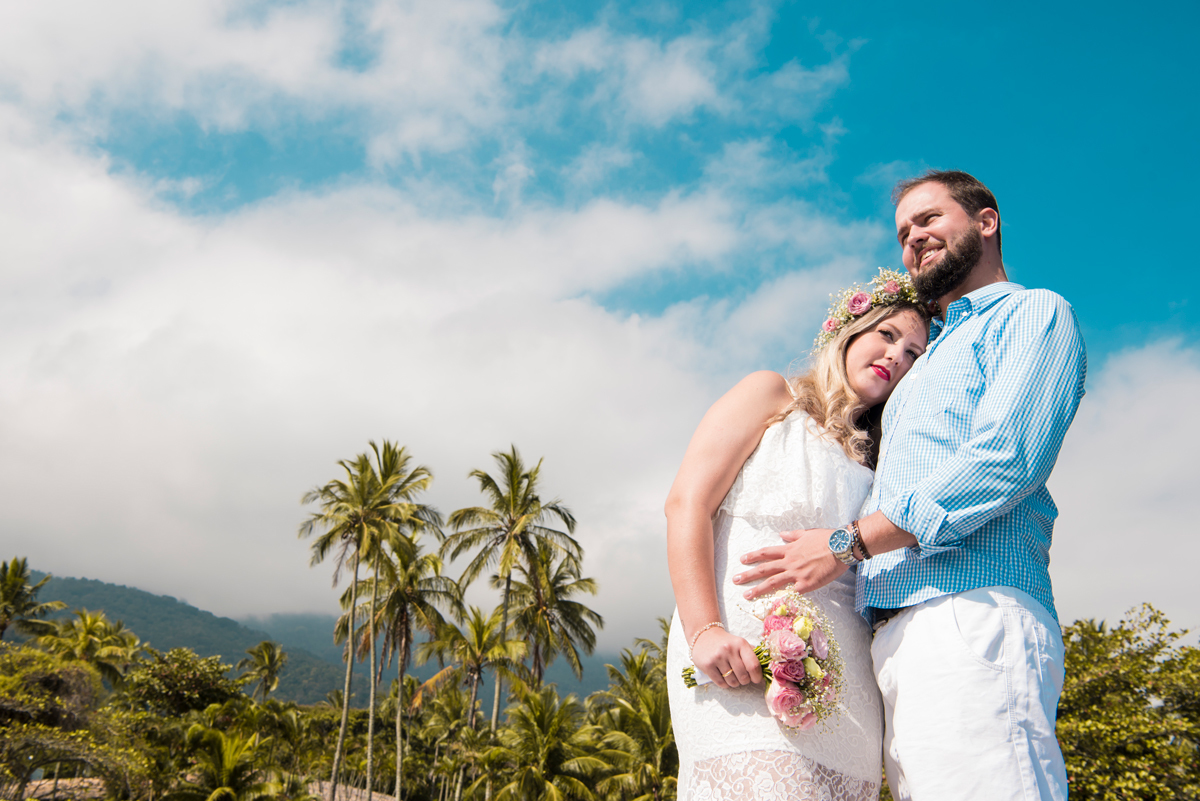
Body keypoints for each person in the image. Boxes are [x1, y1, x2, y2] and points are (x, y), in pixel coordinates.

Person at [737, 170, 1087, 800]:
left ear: (987, 222)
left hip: (971, 609)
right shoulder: (930, 357)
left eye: (929, 219)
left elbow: (1006, 459)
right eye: (903, 232)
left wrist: (847, 544)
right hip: (895, 638)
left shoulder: (1033, 313)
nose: (913, 238)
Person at [665, 268, 930, 801]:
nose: (897, 356)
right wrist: (705, 631)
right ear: (852, 330)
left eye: (914, 354)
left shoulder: (886, 461)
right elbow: (686, 505)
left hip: (846, 678)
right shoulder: (770, 395)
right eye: (888, 334)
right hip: (739, 649)